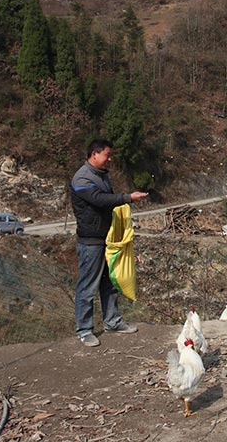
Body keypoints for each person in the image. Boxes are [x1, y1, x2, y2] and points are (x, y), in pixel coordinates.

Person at [70, 138, 149, 347]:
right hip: (90, 241)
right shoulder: (82, 179)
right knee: (88, 286)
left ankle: (112, 321)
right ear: (94, 154)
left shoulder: (101, 175)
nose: (110, 159)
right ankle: (84, 330)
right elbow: (100, 200)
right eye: (107, 155)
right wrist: (128, 198)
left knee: (110, 282)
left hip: (107, 239)